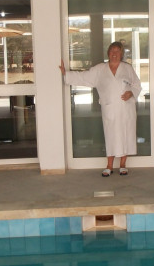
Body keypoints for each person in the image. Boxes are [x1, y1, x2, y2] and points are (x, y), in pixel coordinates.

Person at [59, 41, 141, 176]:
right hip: (109, 109)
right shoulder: (100, 69)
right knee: (111, 135)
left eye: (117, 51)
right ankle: (109, 165)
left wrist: (131, 92)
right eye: (112, 51)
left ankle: (123, 165)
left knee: (126, 134)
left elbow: (137, 84)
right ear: (108, 53)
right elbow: (84, 77)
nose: (114, 53)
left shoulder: (127, 68)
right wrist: (66, 74)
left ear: (121, 54)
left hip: (126, 109)